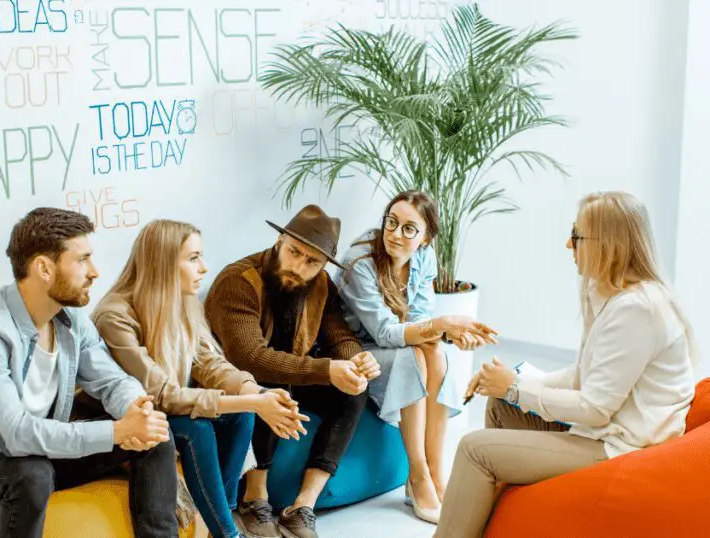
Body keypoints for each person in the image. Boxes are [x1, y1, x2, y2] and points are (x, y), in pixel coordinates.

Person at [434, 191, 700, 538]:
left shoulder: (637, 310)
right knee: (501, 407)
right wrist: (511, 383)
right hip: (606, 431)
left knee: (474, 449)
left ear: (608, 244)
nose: (567, 244)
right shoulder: (608, 294)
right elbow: (583, 374)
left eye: (576, 236)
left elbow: (595, 408)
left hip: (619, 448)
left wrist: (515, 388)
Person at [0, 207, 180, 538]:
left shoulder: (70, 319)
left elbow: (112, 380)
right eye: (82, 260)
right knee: (31, 474)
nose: (95, 272)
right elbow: (15, 434)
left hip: (44, 452)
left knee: (155, 433)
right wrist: (116, 432)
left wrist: (137, 409)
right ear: (44, 268)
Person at [93, 219, 310, 538]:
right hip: (126, 424)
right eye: (193, 258)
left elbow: (211, 364)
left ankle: (220, 523)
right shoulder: (115, 315)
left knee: (241, 416)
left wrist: (257, 392)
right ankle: (228, 533)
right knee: (198, 429)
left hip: (165, 414)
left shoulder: (184, 302)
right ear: (164, 263)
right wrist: (254, 399)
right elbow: (161, 395)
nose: (204, 267)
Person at [204, 204, 381, 538]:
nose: (299, 267)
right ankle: (255, 497)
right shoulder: (238, 281)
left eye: (312, 261)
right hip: (236, 387)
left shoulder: (320, 284)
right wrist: (327, 369)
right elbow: (249, 358)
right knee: (273, 379)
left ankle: (303, 506)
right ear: (279, 241)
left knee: (355, 389)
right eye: (294, 252)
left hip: (288, 374)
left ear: (324, 265)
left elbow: (338, 334)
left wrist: (357, 359)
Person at [332, 190, 498, 523]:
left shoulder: (424, 257)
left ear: (425, 239)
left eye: (409, 228)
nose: (395, 234)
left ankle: (436, 470)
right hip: (360, 350)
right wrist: (441, 326)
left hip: (401, 344)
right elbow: (383, 333)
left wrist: (448, 334)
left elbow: (420, 315)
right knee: (415, 357)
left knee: (434, 352)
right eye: (391, 222)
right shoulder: (360, 262)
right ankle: (418, 475)